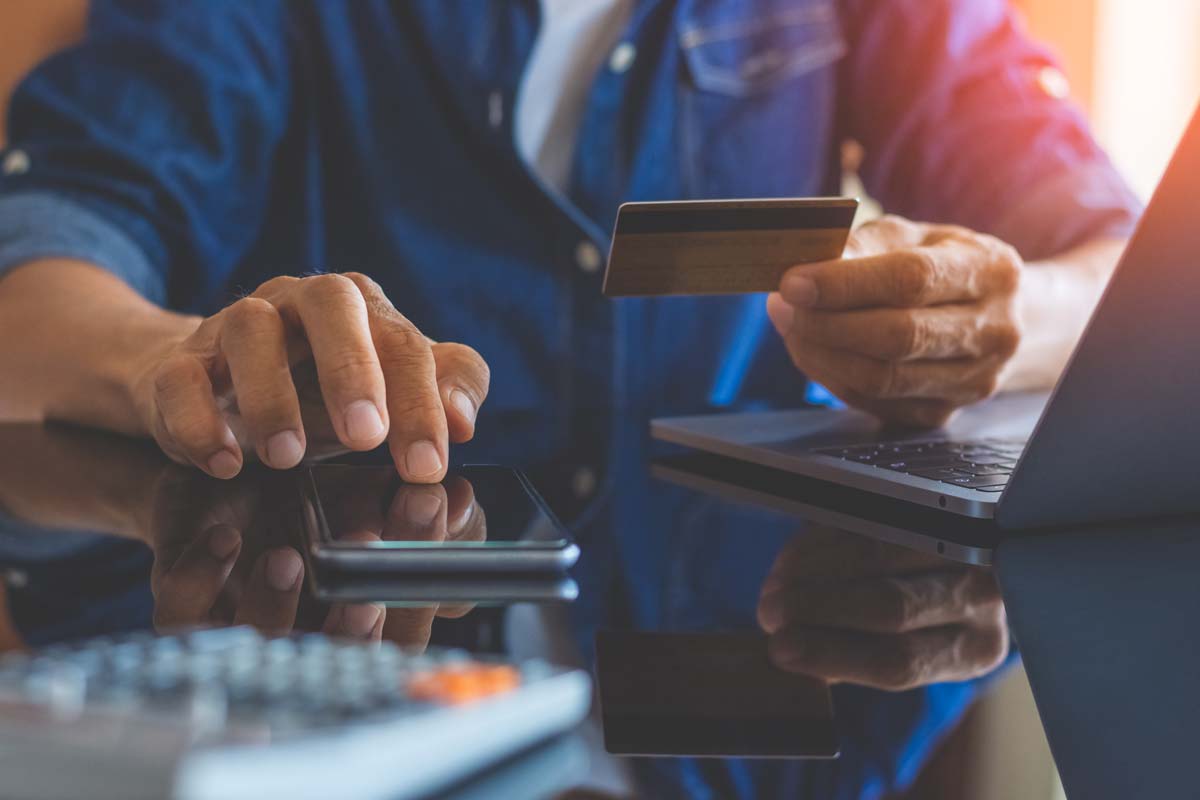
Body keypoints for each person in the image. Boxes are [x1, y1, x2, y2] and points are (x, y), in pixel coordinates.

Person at [0, 0, 1138, 489]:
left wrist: (1002, 320)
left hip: (770, 611)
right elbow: (42, 269)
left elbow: (1124, 271)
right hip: (344, 643)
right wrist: (171, 359)